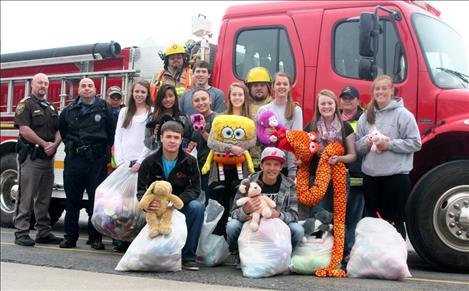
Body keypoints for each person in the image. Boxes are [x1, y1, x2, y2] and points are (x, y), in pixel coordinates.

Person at [355, 75, 421, 239]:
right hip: (371, 178)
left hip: (396, 178)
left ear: (392, 91)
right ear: (373, 92)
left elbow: (415, 143)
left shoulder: (403, 115)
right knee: (372, 222)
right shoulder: (366, 116)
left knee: (395, 222)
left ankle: (397, 260)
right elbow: (357, 147)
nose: (380, 91)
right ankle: (375, 259)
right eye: (377, 88)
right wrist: (367, 141)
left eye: (384, 88)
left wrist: (389, 144)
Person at [137, 120, 205, 271]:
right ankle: (151, 254)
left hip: (180, 204)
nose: (172, 141)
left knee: (197, 207)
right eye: (169, 137)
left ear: (182, 140)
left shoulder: (190, 161)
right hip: (157, 207)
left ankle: (188, 257)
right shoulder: (149, 162)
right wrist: (147, 204)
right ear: (161, 138)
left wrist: (178, 201)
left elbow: (195, 189)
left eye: (176, 137)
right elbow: (141, 190)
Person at [58, 78, 116, 250]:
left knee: (96, 201)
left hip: (96, 160)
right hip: (74, 159)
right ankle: (70, 237)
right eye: (83, 86)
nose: (87, 88)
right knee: (72, 201)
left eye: (90, 86)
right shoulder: (68, 110)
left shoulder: (104, 108)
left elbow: (111, 132)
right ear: (78, 90)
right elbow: (63, 131)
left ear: (95, 89)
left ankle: (95, 237)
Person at [226, 147, 303, 264]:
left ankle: (284, 256)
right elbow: (233, 213)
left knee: (298, 230)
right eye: (268, 164)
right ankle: (239, 254)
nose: (272, 168)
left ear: (281, 167)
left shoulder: (289, 185)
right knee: (232, 226)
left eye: (276, 165)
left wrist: (278, 215)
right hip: (251, 223)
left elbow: (294, 215)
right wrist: (245, 210)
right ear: (261, 165)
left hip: (276, 227)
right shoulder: (248, 182)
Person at [13, 73, 63, 246]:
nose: (43, 86)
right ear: (32, 85)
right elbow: (24, 129)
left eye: (46, 83)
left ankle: (43, 231)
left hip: (47, 158)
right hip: (31, 157)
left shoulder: (51, 107)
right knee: (26, 195)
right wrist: (44, 144)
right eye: (40, 82)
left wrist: (55, 144)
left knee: (44, 197)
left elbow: (59, 129)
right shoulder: (25, 104)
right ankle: (21, 232)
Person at [206, 82, 256, 236]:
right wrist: (231, 148)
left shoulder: (250, 119)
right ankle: (218, 241)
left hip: (241, 170)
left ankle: (235, 243)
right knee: (220, 204)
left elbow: (252, 142)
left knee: (239, 204)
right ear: (229, 97)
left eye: (240, 94)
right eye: (234, 94)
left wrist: (229, 144)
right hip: (220, 168)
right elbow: (211, 142)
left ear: (245, 97)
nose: (237, 97)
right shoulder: (219, 118)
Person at [112, 80, 152, 252]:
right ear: (132, 93)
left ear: (147, 94)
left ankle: (135, 238)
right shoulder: (124, 111)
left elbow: (150, 140)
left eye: (143, 92)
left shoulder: (151, 112)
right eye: (137, 91)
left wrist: (141, 161)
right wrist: (121, 160)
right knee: (122, 205)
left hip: (142, 163)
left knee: (138, 205)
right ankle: (119, 238)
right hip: (124, 164)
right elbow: (118, 136)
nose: (139, 95)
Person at [258, 72, 303, 179]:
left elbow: (296, 142)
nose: (281, 86)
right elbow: (257, 140)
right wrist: (264, 135)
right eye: (278, 84)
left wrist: (292, 171)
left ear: (290, 87)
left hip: (285, 166)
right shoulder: (264, 110)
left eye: (285, 84)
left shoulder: (296, 110)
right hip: (268, 165)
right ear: (273, 87)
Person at [338, 86, 365, 258]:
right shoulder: (334, 118)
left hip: (356, 175)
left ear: (358, 100)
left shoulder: (364, 119)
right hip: (336, 175)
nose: (347, 100)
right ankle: (337, 252)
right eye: (344, 97)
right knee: (338, 216)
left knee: (354, 217)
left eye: (351, 97)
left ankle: (350, 253)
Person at [143, 84, 192, 154]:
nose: (168, 99)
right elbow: (147, 143)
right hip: (156, 158)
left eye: (171, 96)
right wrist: (154, 135)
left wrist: (177, 139)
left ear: (175, 97)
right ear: (160, 99)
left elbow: (187, 139)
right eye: (164, 97)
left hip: (177, 157)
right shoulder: (152, 118)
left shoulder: (182, 118)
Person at [189, 89, 218, 202]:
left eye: (204, 99)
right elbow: (192, 142)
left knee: (211, 202)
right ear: (193, 104)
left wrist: (203, 131)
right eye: (197, 100)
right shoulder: (193, 120)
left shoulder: (217, 119)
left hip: (212, 169)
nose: (201, 102)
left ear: (210, 100)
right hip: (198, 168)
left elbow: (217, 144)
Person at [244, 67, 273, 170]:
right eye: (255, 85)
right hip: (247, 160)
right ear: (249, 88)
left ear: (268, 87)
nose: (259, 88)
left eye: (262, 85)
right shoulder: (244, 106)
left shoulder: (274, 104)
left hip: (269, 160)